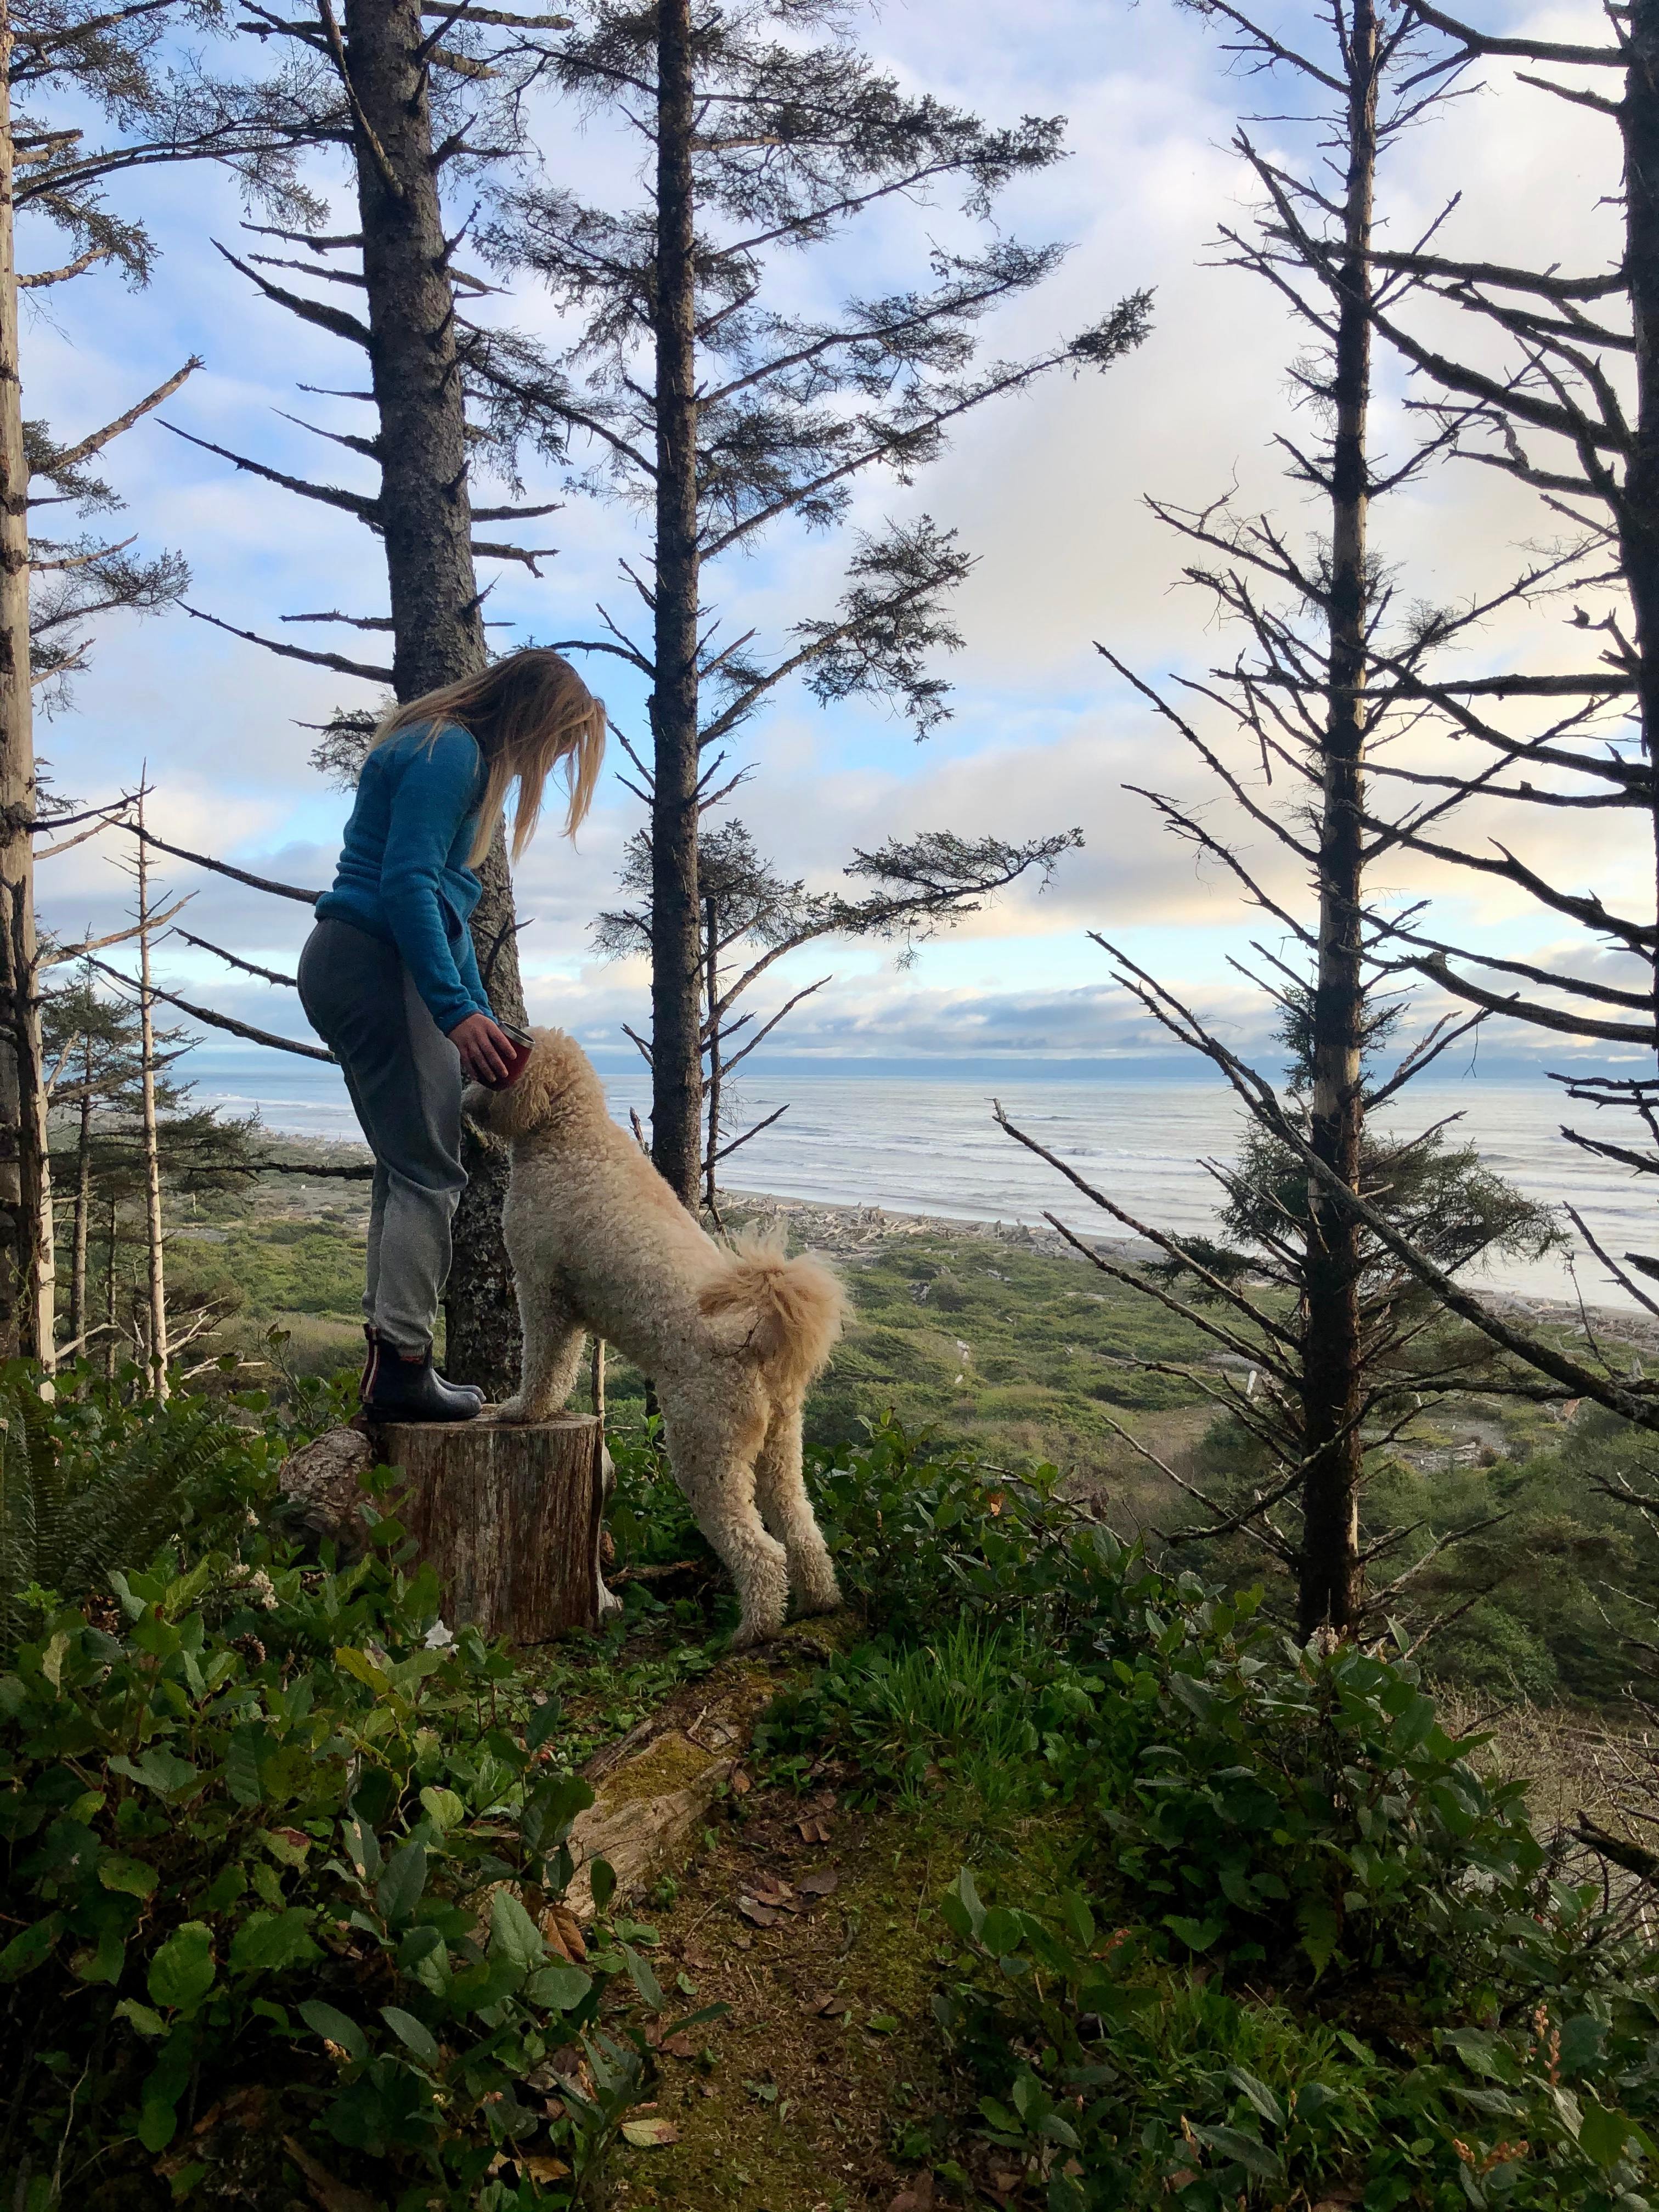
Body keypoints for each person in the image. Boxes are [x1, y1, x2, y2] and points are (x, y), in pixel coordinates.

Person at [297, 649, 606, 1421]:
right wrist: (454, 1011)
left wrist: (477, 1009)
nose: (554, 762)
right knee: (432, 1174)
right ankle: (403, 1366)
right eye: (560, 742)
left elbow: (443, 906)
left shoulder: (437, 743)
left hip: (353, 959)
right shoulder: (453, 753)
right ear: (534, 718)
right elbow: (406, 885)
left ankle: (388, 1362)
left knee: (405, 1164)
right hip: (380, 963)